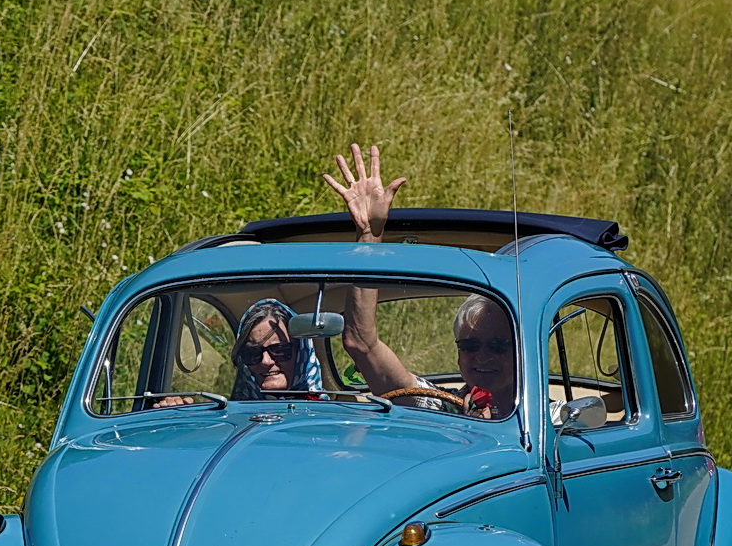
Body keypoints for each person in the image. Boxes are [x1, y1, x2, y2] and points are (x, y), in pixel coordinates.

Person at [322, 144, 518, 419]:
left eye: (498, 346)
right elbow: (361, 343)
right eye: (470, 346)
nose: (482, 356)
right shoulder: (441, 406)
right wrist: (368, 237)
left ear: (521, 352)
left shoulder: (553, 418)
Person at [154, 297, 321, 407]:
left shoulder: (325, 418)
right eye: (252, 353)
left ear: (301, 353)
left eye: (279, 350)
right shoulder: (229, 415)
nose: (265, 361)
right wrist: (177, 416)